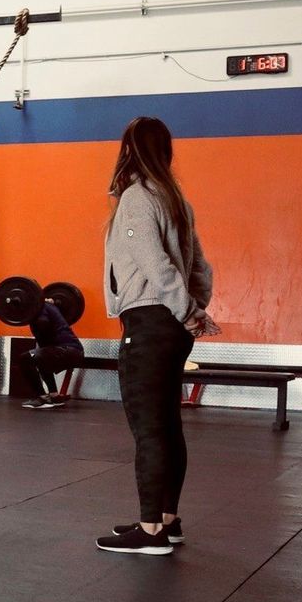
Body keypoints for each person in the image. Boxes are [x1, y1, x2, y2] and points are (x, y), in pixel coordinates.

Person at [97, 116, 214, 556]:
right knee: (167, 427)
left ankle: (150, 533)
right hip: (170, 327)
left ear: (129, 149)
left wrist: (186, 310)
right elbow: (201, 267)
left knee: (149, 431)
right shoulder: (176, 199)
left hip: (149, 325)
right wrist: (193, 309)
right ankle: (167, 520)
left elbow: (154, 264)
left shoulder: (138, 197)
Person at [22, 293, 83, 410]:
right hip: (75, 351)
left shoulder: (41, 308)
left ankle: (41, 398)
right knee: (41, 356)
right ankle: (54, 396)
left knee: (25, 358)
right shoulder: (48, 306)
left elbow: (43, 323)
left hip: (68, 350)